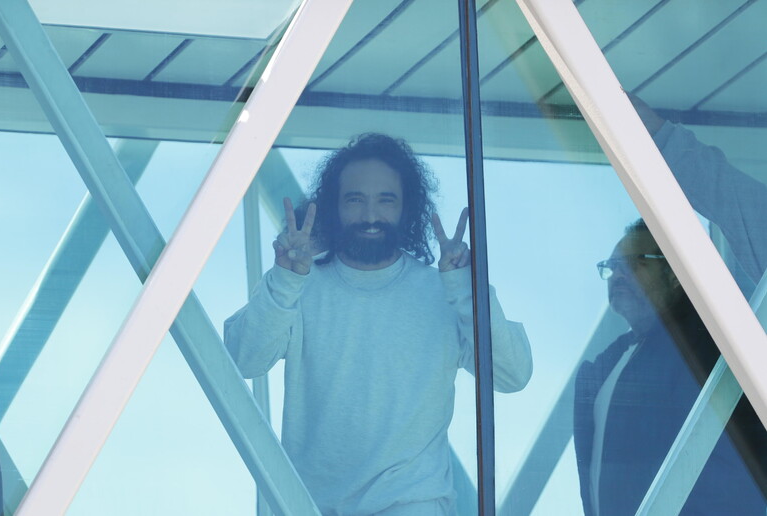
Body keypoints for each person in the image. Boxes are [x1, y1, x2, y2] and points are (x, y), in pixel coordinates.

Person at [224, 133, 532, 516]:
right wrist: (285, 279)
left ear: (407, 209)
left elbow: (513, 374)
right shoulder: (298, 284)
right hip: (311, 506)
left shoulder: (444, 291)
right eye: (355, 200)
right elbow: (241, 360)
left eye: (386, 200)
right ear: (335, 207)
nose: (371, 215)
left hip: (413, 504)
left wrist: (466, 290)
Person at [574, 95, 767, 515]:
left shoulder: (719, 344)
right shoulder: (602, 369)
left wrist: (662, 140)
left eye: (636, 263)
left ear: (676, 274)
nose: (619, 274)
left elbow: (735, 203)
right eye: (612, 267)